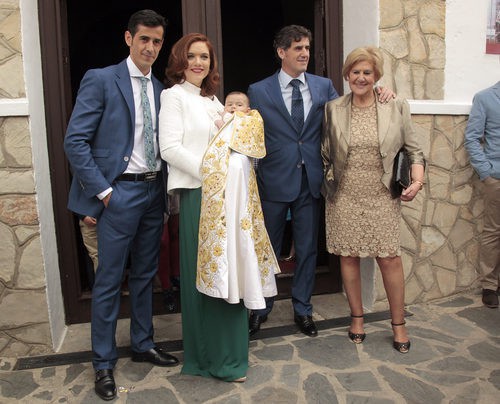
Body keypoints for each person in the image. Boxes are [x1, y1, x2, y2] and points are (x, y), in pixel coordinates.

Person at [247, 25, 394, 337]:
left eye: (307, 48)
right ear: (281, 52)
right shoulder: (258, 91)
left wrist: (380, 92)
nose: (305, 54)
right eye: (298, 48)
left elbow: (349, 111)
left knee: (307, 249)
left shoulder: (324, 86)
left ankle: (303, 308)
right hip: (273, 181)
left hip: (311, 181)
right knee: (267, 249)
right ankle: (260, 308)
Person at [63, 10, 178, 401]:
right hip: (118, 194)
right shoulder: (101, 79)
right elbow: (75, 141)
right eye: (144, 39)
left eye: (157, 41)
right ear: (129, 39)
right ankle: (103, 362)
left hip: (152, 193)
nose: (150, 47)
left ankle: (143, 343)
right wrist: (104, 192)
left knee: (145, 275)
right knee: (109, 281)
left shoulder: (161, 90)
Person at [321, 46, 425, 353]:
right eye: (355, 72)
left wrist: (417, 182)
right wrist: (329, 182)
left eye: (367, 72)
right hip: (344, 195)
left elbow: (414, 150)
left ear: (376, 76)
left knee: (389, 258)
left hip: (381, 196)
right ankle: (357, 318)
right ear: (347, 74)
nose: (361, 78)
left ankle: (399, 324)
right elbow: (325, 151)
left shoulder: (395, 106)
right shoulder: (333, 108)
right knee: (348, 257)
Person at [159, 34, 248, 382]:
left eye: (205, 57)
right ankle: (211, 358)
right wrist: (211, 172)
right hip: (199, 194)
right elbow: (169, 148)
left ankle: (231, 354)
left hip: (226, 196)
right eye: (192, 56)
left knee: (229, 274)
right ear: (181, 60)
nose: (199, 63)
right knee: (209, 276)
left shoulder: (213, 101)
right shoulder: (174, 97)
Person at [197, 91, 280, 312]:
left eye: (239, 104)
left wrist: (230, 120)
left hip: (242, 185)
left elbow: (249, 143)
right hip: (221, 187)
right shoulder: (218, 118)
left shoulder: (252, 120)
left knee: (244, 231)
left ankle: (251, 292)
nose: (233, 108)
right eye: (230, 104)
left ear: (248, 108)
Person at [464, 82, 500, 308]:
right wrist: (487, 173)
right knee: (494, 231)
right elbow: (472, 138)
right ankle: (490, 285)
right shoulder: (485, 98)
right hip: (496, 177)